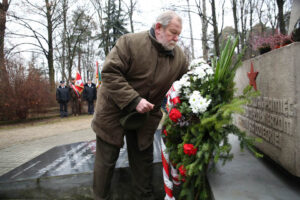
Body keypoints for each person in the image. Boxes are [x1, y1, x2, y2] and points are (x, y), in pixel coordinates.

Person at [91, 10, 188, 200]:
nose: (176, 38)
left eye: (179, 34)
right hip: (113, 112)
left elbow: (186, 83)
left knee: (143, 162)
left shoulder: (179, 58)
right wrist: (134, 100)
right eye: (173, 33)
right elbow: (110, 73)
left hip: (145, 118)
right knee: (106, 161)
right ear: (158, 27)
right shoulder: (129, 43)